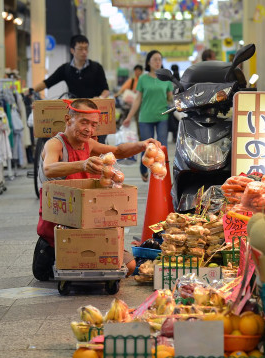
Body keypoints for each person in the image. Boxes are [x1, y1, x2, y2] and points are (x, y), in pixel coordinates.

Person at [32, 98, 160, 281]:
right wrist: (82, 165)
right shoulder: (55, 144)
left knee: (130, 267)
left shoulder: (89, 145)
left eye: (94, 125)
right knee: (56, 274)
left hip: (92, 225)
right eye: (84, 122)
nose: (89, 130)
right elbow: (49, 168)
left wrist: (141, 145)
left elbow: (119, 151)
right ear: (68, 120)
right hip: (60, 230)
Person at [122, 50, 173, 182]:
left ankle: (161, 174)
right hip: (145, 118)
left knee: (162, 147)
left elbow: (170, 98)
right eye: (155, 59)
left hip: (162, 116)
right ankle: (144, 170)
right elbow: (138, 99)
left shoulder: (166, 78)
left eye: (159, 59)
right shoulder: (143, 79)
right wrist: (128, 117)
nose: (157, 62)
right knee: (146, 147)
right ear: (148, 62)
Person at [28, 35, 109, 99]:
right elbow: (48, 82)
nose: (84, 52)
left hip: (94, 109)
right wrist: (31, 90)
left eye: (86, 48)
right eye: (80, 49)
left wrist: (100, 98)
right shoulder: (65, 69)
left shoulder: (96, 67)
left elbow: (106, 90)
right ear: (72, 50)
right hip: (74, 110)